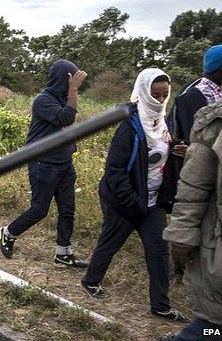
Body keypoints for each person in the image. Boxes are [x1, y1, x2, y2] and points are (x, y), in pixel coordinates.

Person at [80, 69, 188, 322]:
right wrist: (132, 203)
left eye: (164, 95)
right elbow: (114, 171)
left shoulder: (164, 122)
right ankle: (90, 280)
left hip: (153, 201)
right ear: (143, 93)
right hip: (125, 201)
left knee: (159, 251)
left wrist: (177, 151)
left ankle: (161, 306)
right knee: (110, 243)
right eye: (155, 95)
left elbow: (158, 156)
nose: (160, 100)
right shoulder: (129, 125)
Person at [0, 59, 89, 267]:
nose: (75, 83)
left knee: (67, 209)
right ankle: (9, 232)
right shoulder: (43, 100)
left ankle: (63, 253)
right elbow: (66, 119)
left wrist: (72, 92)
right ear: (63, 78)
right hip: (43, 163)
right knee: (40, 209)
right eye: (72, 79)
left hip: (64, 163)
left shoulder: (62, 98)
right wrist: (74, 91)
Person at [160, 57, 222, 340]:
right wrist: (182, 239)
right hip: (217, 247)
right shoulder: (214, 120)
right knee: (211, 331)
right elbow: (193, 190)